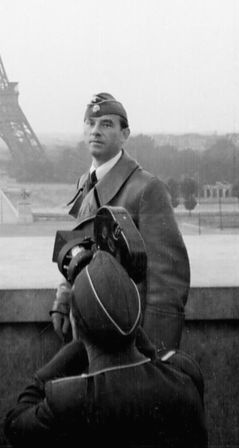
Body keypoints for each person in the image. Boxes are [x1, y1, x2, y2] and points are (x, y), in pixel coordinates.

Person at [5, 251, 207, 448]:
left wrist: (73, 348)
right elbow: (155, 361)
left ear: (76, 325)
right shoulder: (184, 377)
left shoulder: (67, 400)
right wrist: (127, 325)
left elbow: (15, 424)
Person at [50, 92, 190, 352]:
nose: (96, 131)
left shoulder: (148, 189)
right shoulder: (85, 183)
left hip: (127, 347)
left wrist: (155, 355)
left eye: (106, 124)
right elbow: (79, 250)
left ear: (125, 134)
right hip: (88, 335)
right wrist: (63, 298)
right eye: (90, 123)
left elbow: (167, 285)